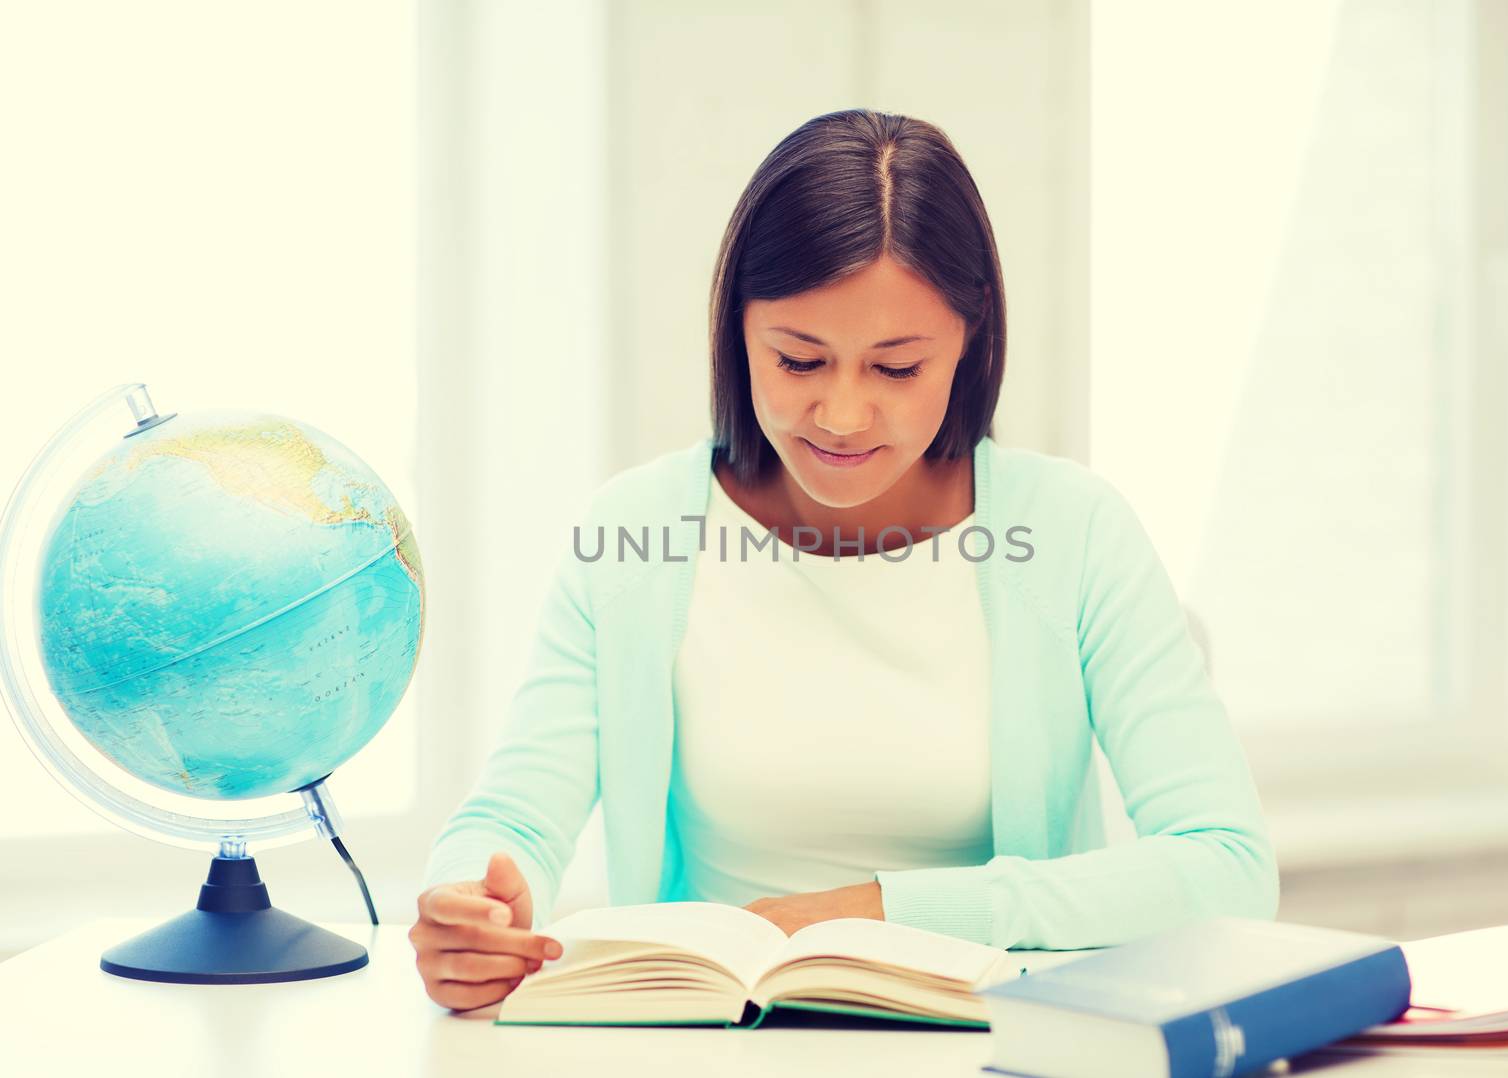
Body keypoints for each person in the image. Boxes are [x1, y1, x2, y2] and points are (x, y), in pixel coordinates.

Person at [410, 108, 1279, 1014]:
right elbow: (514, 815)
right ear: (738, 332)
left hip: (995, 1051)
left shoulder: (1072, 533)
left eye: (897, 369)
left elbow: (1226, 864)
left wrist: (874, 914)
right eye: (798, 360)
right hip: (701, 1044)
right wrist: (468, 900)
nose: (842, 415)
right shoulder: (637, 533)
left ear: (969, 342)